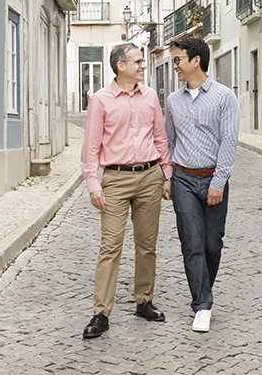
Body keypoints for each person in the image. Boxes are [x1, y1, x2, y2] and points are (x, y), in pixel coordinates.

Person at [79, 42, 172, 340]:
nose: (143, 66)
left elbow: (160, 137)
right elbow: (90, 149)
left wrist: (166, 175)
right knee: (110, 246)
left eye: (143, 61)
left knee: (147, 245)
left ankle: (144, 300)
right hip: (116, 180)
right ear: (121, 66)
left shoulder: (151, 97)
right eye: (138, 61)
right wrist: (94, 184)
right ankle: (101, 313)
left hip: (148, 177)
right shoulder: (101, 100)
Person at [164, 35, 240, 333]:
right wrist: (168, 178)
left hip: (213, 179)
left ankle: (203, 289)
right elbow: (169, 141)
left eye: (178, 60)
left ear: (196, 60)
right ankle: (202, 304)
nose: (175, 67)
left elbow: (228, 142)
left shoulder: (224, 97)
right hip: (183, 178)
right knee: (192, 243)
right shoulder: (172, 100)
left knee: (212, 244)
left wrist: (218, 182)